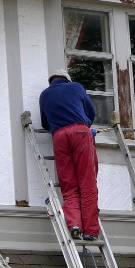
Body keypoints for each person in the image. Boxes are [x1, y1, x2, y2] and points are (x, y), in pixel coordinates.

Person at [39, 68, 99, 241]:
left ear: (52, 81)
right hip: (80, 132)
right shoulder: (76, 87)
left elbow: (45, 123)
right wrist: (84, 125)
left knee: (69, 185)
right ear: (66, 79)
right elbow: (91, 112)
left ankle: (74, 225)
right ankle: (90, 231)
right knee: (87, 183)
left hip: (58, 136)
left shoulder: (44, 95)